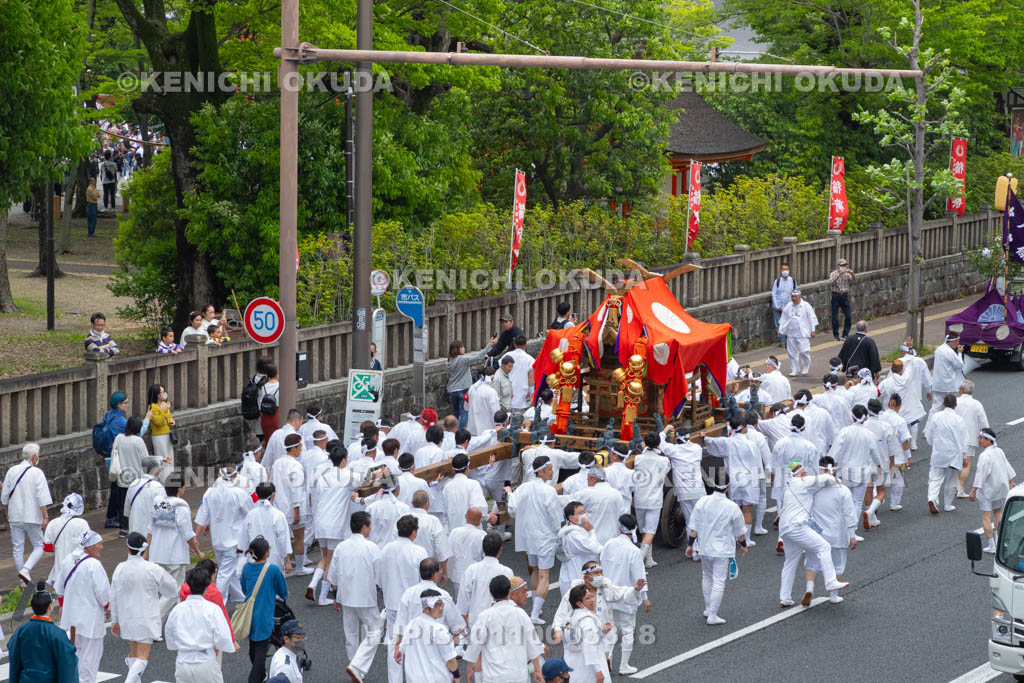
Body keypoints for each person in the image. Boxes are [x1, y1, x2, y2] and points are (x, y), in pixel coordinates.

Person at [349, 514, 427, 683]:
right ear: (414, 532)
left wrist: (384, 594)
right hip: (414, 604)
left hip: (392, 602)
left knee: (394, 643)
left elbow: (380, 577)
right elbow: (424, 580)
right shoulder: (419, 552)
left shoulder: (385, 549)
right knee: (416, 644)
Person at [777, 462, 849, 607]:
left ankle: (785, 597)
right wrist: (835, 478)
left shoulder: (791, 485)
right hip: (797, 526)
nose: (804, 473)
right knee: (824, 547)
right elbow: (823, 478)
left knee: (790, 561)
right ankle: (830, 582)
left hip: (785, 528)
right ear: (800, 473)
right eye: (802, 471)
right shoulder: (800, 482)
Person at [110, 532, 178, 683]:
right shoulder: (152, 568)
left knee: (133, 652)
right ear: (144, 549)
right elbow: (172, 589)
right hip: (146, 616)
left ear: (128, 549)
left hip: (126, 616)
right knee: (143, 656)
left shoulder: (120, 568)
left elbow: (113, 595)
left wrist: (115, 619)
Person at [506, 456, 566, 625]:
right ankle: (535, 612)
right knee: (544, 576)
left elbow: (511, 510)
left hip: (528, 537)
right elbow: (555, 517)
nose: (552, 471)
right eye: (549, 469)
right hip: (545, 536)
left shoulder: (523, 488)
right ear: (541, 471)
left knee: (534, 572)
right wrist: (558, 533)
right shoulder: (548, 491)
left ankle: (535, 609)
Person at [687, 470, 748, 625]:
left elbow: (694, 527)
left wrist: (689, 545)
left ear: (713, 485)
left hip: (704, 547)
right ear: (728, 487)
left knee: (706, 576)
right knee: (719, 581)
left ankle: (708, 609)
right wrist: (744, 545)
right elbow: (740, 531)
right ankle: (713, 615)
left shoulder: (702, 501)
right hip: (722, 549)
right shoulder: (732, 507)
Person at [463, 575, 544, 683]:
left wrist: (469, 670)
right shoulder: (521, 614)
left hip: (493, 676)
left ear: (491, 593)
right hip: (518, 675)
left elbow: (474, 646)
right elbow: (532, 643)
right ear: (509, 591)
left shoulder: (485, 616)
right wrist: (538, 670)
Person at [166, 567, 236, 682]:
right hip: (206, 661)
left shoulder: (177, 610)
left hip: (183, 661)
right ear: (207, 587)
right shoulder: (213, 609)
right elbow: (223, 637)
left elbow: (170, 636)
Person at [195, 464, 254, 603]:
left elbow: (202, 515)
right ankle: (218, 602)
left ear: (219, 475)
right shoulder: (239, 493)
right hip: (233, 539)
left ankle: (241, 598)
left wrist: (196, 537)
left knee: (228, 571)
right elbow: (250, 513)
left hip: (217, 539)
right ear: (234, 476)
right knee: (224, 574)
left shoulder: (209, 492)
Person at [803, 456, 857, 605]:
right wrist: (852, 535)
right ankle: (833, 596)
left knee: (811, 563)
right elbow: (849, 513)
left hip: (816, 534)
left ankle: (809, 588)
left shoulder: (812, 488)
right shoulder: (843, 490)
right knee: (838, 565)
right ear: (834, 469)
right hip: (837, 534)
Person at [58, 530, 110, 683]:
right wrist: (108, 607)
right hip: (90, 618)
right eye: (98, 544)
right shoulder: (94, 564)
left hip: (72, 618)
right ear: (88, 546)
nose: (101, 547)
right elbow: (103, 592)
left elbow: (60, 588)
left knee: (75, 656)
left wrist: (62, 607)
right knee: (90, 660)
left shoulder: (68, 560)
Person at [599, 515, 649, 675]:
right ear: (635, 528)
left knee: (609, 630)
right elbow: (640, 578)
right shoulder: (634, 551)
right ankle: (624, 665)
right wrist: (646, 599)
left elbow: (600, 566)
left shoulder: (608, 544)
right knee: (628, 631)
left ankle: (608, 657)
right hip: (627, 596)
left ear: (619, 528)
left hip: (608, 595)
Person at [330, 512, 382, 662]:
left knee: (350, 633)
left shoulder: (341, 547)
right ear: (364, 527)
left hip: (345, 595)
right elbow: (378, 574)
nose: (371, 528)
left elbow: (333, 574)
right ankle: (360, 663)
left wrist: (335, 596)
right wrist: (380, 588)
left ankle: (353, 662)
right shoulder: (372, 547)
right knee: (375, 631)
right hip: (366, 596)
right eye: (370, 525)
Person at [704, 416, 764, 546]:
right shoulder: (751, 444)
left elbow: (712, 442)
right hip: (748, 478)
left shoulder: (727, 442)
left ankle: (734, 537)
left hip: (734, 479)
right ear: (742, 427)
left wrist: (704, 437)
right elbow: (757, 464)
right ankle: (746, 539)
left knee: (735, 509)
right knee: (747, 510)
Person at [309, 446, 358, 605]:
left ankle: (312, 584)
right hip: (334, 524)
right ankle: (322, 597)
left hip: (320, 522)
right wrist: (381, 473)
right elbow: (365, 479)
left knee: (324, 558)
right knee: (330, 561)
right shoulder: (347, 475)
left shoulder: (324, 476)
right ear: (344, 459)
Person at [148, 479, 202, 620]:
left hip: (157, 553)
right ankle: (154, 622)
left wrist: (146, 553)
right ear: (179, 489)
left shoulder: (158, 505)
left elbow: (150, 530)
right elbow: (187, 534)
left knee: (163, 591)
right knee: (173, 591)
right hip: (175, 555)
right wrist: (197, 552)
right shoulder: (181, 507)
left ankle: (176, 620)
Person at [1, 442, 52, 585]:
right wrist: (46, 516)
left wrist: (7, 513)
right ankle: (25, 570)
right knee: (40, 545)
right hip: (31, 515)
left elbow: (5, 496)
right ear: (34, 457)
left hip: (15, 514)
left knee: (18, 548)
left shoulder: (12, 471)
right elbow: (41, 497)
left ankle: (23, 582)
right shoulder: (37, 473)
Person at [827, 405, 884, 531]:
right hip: (862, 472)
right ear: (866, 418)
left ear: (852, 417)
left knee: (846, 501)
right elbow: (876, 453)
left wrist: (831, 468)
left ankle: (844, 527)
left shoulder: (844, 431)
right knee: (857, 502)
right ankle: (852, 531)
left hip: (846, 471)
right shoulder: (869, 435)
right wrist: (879, 465)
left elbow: (835, 451)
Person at [240, 537, 289, 683]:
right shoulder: (272, 569)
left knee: (253, 648)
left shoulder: (246, 568)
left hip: (249, 614)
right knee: (261, 650)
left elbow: (244, 589)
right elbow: (283, 591)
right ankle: (255, 678)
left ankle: (261, 675)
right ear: (267, 553)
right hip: (265, 615)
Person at [8, 581, 78, 682]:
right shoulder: (57, 634)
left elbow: (14, 659)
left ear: (33, 607)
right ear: (50, 607)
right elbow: (68, 664)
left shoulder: (21, 631)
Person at [271, 432, 312, 574]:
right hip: (294, 507)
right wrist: (297, 509)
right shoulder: (295, 465)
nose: (301, 448)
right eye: (300, 446)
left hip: (278, 506)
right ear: (294, 448)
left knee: (281, 539)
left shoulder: (276, 463)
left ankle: (283, 565)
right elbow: (296, 489)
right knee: (299, 538)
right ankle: (299, 567)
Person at [398, 590, 460, 682]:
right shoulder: (440, 629)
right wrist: (457, 677)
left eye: (441, 604)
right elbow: (451, 660)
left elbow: (403, 649)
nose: (441, 608)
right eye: (436, 605)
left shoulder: (412, 624)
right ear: (426, 609)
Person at [970, 428, 1016, 554]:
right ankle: (998, 539)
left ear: (988, 440)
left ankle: (991, 544)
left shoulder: (984, 456)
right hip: (1000, 488)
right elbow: (1006, 466)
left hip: (987, 490)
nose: (979, 440)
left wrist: (973, 490)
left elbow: (981, 474)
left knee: (985, 516)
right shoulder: (999, 451)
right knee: (998, 512)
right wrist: (1010, 481)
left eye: (981, 438)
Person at [924, 394, 969, 514]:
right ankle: (948, 504)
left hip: (939, 452)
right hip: (954, 454)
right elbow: (964, 440)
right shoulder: (959, 420)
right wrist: (965, 456)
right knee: (952, 480)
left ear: (943, 403)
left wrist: (933, 444)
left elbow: (929, 435)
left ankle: (932, 498)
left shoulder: (936, 417)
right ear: (955, 405)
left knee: (935, 478)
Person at [458, 531, 513, 629]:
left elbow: (462, 603)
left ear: (483, 548)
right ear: (500, 550)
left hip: (475, 624)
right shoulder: (507, 572)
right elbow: (510, 602)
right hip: (499, 625)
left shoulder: (471, 570)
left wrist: (468, 625)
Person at [633, 433, 671, 567]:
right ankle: (638, 561)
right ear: (658, 444)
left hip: (639, 498)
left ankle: (649, 559)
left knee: (644, 530)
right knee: (650, 531)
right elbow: (666, 470)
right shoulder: (664, 461)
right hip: (654, 500)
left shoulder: (638, 458)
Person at [561, 583, 612, 683]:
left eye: (592, 596)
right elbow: (590, 646)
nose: (592, 600)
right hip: (588, 672)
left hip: (573, 667)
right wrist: (598, 671)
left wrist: (602, 632)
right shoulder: (587, 621)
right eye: (588, 598)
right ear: (579, 604)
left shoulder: (569, 618)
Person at [447, 337, 497, 430]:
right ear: (457, 349)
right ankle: (460, 432)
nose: (464, 349)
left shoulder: (449, 361)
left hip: (452, 389)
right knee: (464, 412)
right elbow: (478, 356)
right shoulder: (462, 359)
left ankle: (452, 430)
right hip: (463, 388)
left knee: (456, 412)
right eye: (462, 347)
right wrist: (489, 345)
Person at [44, 493, 90, 588]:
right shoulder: (82, 524)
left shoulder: (52, 524)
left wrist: (59, 551)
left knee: (62, 596)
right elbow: (88, 546)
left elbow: (47, 549)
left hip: (59, 570)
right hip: (78, 568)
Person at [557, 501, 604, 588]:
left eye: (584, 512)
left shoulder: (572, 529)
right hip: (576, 572)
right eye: (580, 513)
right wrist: (591, 531)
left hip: (574, 570)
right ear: (571, 518)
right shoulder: (573, 534)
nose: (584, 515)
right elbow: (594, 548)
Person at [956, 380, 990, 498]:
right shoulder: (976, 404)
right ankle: (960, 489)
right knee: (966, 463)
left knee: (956, 462)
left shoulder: (955, 401)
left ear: (961, 390)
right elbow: (984, 423)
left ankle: (954, 486)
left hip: (954, 437)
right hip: (970, 437)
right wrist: (985, 437)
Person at [575, 466, 625, 545]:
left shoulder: (587, 493)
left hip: (592, 540)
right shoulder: (617, 494)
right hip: (612, 539)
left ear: (593, 479)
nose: (587, 480)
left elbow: (569, 503)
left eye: (588, 478)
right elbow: (622, 516)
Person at [445, 452, 491, 531]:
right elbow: (480, 510)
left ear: (453, 470)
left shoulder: (447, 487)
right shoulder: (473, 484)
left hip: (453, 532)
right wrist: (488, 517)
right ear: (467, 468)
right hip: (472, 531)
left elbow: (445, 514)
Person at [777, 289, 818, 376]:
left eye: (795, 297)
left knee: (804, 351)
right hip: (791, 333)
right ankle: (794, 369)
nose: (794, 298)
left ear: (800, 297)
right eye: (792, 297)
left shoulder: (806, 305)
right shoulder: (789, 305)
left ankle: (806, 366)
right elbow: (784, 318)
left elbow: (812, 317)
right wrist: (780, 330)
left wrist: (813, 330)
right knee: (791, 353)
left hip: (802, 333)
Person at [448, 507, 488, 586]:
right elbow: (486, 556)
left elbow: (448, 551)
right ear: (480, 520)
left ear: (466, 516)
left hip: (457, 574)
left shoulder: (454, 531)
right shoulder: (482, 535)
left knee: (458, 597)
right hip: (476, 574)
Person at [932, 332, 965, 411]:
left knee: (936, 408)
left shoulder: (938, 350)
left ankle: (931, 422)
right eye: (957, 341)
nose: (958, 343)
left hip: (938, 384)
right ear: (953, 341)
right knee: (951, 408)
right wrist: (959, 353)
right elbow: (959, 365)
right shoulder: (950, 352)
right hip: (949, 386)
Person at [263, 407, 302, 472]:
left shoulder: (275, 434)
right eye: (301, 422)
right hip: (293, 472)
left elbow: (268, 459)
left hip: (277, 472)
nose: (301, 425)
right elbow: (302, 457)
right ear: (296, 421)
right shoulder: (298, 437)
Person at [467, 367, 501, 436]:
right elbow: (495, 411)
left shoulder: (472, 388)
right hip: (487, 429)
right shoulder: (491, 392)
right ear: (492, 378)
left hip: (472, 427)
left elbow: (466, 406)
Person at [507, 335, 536, 415]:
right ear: (526, 345)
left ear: (514, 344)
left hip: (507, 392)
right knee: (520, 419)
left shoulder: (506, 356)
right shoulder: (530, 359)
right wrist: (531, 392)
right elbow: (531, 378)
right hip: (522, 393)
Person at [828, 258, 855, 340]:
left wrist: (853, 274)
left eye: (844, 265)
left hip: (845, 295)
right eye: (842, 265)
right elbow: (830, 282)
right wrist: (839, 274)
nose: (843, 267)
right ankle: (836, 335)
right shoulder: (833, 273)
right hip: (835, 295)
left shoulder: (847, 274)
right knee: (835, 317)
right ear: (838, 266)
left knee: (848, 315)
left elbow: (853, 282)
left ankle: (845, 334)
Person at [771, 263, 797, 346]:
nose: (785, 271)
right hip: (778, 306)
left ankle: (787, 339)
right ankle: (781, 339)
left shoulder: (792, 281)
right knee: (778, 323)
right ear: (781, 271)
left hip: (788, 307)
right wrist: (776, 305)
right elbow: (774, 294)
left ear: (789, 270)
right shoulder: (777, 281)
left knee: (788, 323)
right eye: (783, 269)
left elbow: (795, 293)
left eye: (786, 269)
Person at [258, 362, 281, 449]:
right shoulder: (280, 386)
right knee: (277, 441)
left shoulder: (263, 386)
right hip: (276, 415)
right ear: (277, 373)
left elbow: (260, 402)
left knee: (268, 441)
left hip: (264, 417)